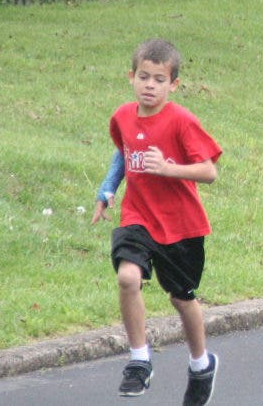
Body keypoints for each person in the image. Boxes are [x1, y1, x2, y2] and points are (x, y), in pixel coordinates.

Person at [92, 39, 222, 405]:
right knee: (127, 277)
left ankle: (201, 364)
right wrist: (106, 189)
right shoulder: (122, 116)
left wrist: (169, 169)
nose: (150, 85)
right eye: (144, 77)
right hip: (138, 217)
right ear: (131, 77)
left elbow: (209, 172)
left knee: (182, 299)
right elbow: (124, 152)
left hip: (181, 225)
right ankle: (139, 361)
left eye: (159, 79)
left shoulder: (182, 121)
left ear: (173, 85)